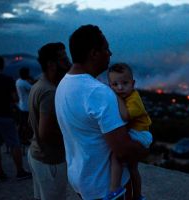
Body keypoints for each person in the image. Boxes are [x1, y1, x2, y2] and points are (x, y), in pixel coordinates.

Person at [55, 24, 148, 200]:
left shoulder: (64, 84)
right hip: (105, 188)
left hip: (80, 180)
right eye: (106, 48)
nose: (110, 53)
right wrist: (144, 149)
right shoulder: (98, 92)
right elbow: (122, 150)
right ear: (94, 53)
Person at [27, 42, 71, 200]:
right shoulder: (50, 92)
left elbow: (32, 122)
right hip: (50, 161)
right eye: (64, 59)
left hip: (36, 154)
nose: (68, 63)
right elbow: (45, 133)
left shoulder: (38, 84)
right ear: (51, 64)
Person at [107, 63, 152, 200]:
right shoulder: (127, 96)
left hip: (140, 134)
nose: (120, 88)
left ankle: (114, 189)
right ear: (110, 85)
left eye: (124, 83)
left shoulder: (134, 99)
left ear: (133, 83)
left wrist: (118, 98)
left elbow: (125, 116)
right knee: (133, 169)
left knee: (116, 155)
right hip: (138, 132)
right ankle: (138, 196)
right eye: (115, 84)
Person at [15, 67, 33, 145]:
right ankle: (24, 139)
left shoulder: (18, 81)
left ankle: (20, 138)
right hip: (26, 107)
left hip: (21, 105)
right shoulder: (24, 83)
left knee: (22, 124)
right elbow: (32, 89)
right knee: (26, 125)